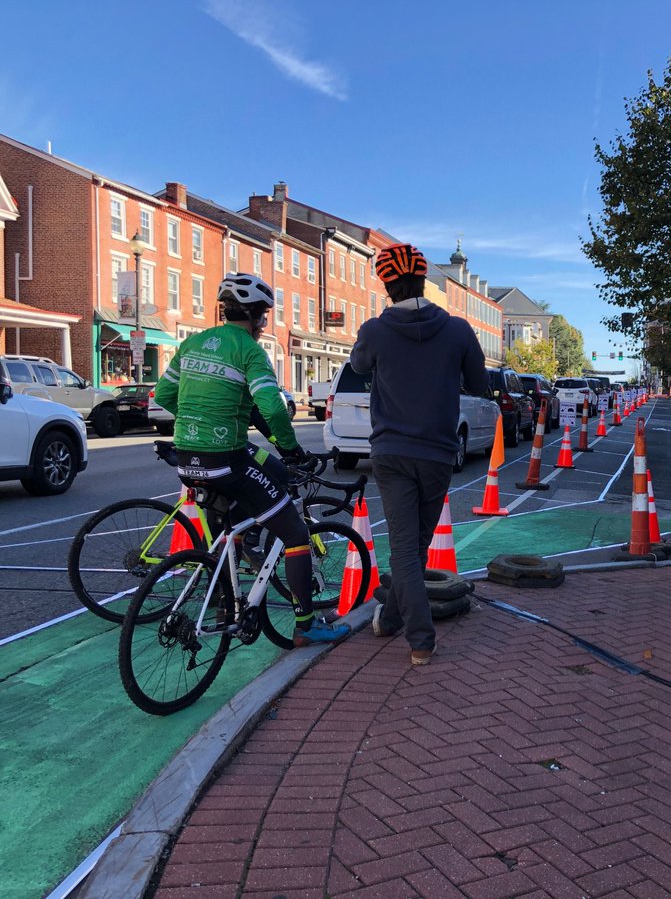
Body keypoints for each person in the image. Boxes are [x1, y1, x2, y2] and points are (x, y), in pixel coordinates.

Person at [154, 273, 349, 647]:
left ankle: (228, 607)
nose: (263, 325)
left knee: (235, 528)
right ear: (258, 317)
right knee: (294, 534)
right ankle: (307, 625)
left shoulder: (191, 343)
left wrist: (199, 418)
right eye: (263, 317)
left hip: (188, 459)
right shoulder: (248, 349)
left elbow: (164, 393)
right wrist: (291, 451)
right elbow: (272, 408)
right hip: (225, 459)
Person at [350, 242, 488, 666]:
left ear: (387, 285)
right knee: (415, 547)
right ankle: (396, 623)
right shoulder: (460, 331)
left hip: (391, 452)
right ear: (424, 282)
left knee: (407, 550)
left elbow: (357, 367)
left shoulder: (374, 331)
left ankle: (418, 638)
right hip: (438, 453)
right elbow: (479, 384)